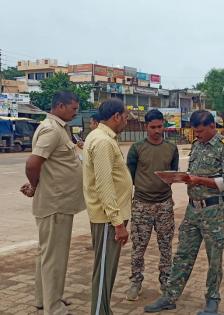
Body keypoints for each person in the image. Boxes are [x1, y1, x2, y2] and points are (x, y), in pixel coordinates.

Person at [144, 110, 224, 315]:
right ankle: (170, 296)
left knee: (214, 258)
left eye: (201, 132)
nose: (197, 135)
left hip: (214, 210)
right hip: (193, 209)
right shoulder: (196, 146)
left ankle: (212, 299)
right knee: (183, 254)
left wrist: (198, 180)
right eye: (195, 132)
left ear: (213, 127)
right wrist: (180, 178)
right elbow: (192, 174)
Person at [20, 91, 85, 314]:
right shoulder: (51, 129)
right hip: (55, 203)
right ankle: (53, 307)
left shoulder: (59, 129)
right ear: (59, 106)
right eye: (73, 108)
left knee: (47, 254)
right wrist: (35, 185)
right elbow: (32, 164)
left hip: (59, 201)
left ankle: (46, 298)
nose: (76, 113)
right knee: (55, 256)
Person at [82, 98, 131, 315]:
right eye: (126, 117)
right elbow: (104, 184)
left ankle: (104, 310)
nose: (127, 122)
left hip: (110, 218)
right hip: (108, 219)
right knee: (103, 272)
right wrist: (118, 222)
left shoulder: (103, 137)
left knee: (107, 270)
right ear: (116, 117)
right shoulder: (102, 141)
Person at [125, 109, 179, 301]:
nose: (157, 130)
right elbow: (128, 177)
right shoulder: (137, 148)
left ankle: (166, 282)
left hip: (164, 204)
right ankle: (136, 282)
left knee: (166, 246)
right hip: (142, 204)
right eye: (153, 127)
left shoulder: (171, 148)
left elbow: (173, 172)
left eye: (160, 126)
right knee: (138, 247)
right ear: (145, 127)